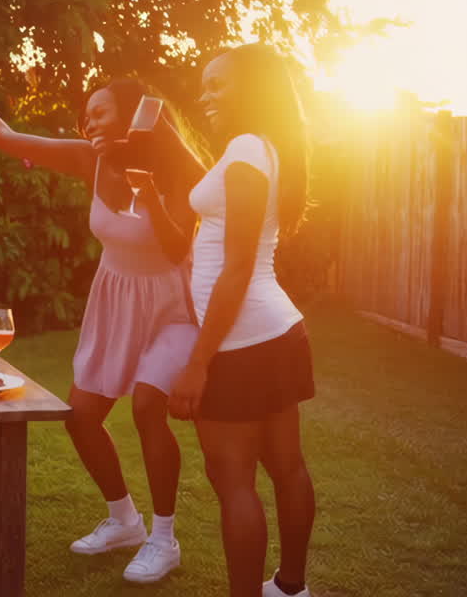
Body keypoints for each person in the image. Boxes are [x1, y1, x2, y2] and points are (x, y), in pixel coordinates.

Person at [0, 78, 206, 582]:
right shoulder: (90, 161)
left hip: (171, 307)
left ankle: (164, 538)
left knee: (145, 406)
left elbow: (179, 250)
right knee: (81, 416)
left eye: (100, 113)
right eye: (87, 116)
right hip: (115, 301)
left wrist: (151, 193)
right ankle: (124, 521)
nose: (90, 123)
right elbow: (5, 136)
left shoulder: (183, 169)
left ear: (136, 115)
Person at [170, 43, 317, 597]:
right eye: (204, 84)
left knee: (234, 481)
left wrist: (197, 363)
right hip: (275, 331)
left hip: (242, 339)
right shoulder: (260, 149)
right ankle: (291, 587)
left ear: (252, 89)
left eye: (218, 85)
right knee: (286, 467)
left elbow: (236, 269)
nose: (205, 95)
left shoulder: (249, 149)